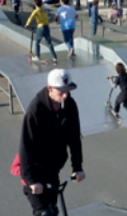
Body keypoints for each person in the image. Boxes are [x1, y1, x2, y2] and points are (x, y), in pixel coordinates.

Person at [19, 68, 85, 216]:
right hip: (34, 169)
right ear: (50, 88)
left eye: (68, 91)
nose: (66, 95)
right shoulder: (35, 110)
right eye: (61, 91)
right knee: (44, 212)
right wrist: (31, 180)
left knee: (53, 209)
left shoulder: (69, 105)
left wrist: (77, 167)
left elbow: (74, 138)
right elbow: (25, 146)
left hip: (53, 168)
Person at [25, 0, 58, 64]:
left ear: (35, 4)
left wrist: (27, 24)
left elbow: (31, 17)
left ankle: (37, 56)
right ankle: (54, 57)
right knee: (49, 43)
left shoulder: (36, 10)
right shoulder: (43, 10)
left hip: (41, 27)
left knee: (37, 42)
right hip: (47, 27)